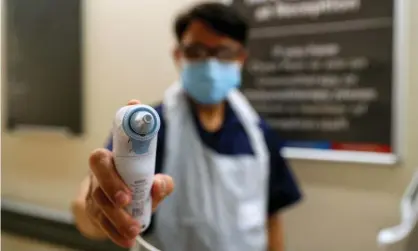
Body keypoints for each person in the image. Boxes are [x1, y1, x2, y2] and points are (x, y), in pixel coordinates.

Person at [71, 2, 302, 251]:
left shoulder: (259, 134)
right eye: (196, 51)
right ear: (178, 55)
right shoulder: (147, 128)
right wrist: (97, 209)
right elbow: (89, 206)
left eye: (223, 52)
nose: (210, 65)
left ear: (241, 58)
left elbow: (271, 217)